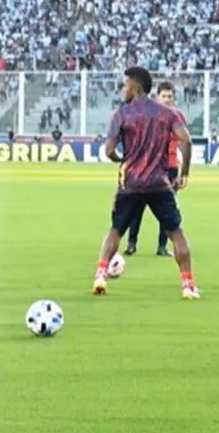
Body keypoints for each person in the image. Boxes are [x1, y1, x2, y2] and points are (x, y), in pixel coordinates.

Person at [92, 67, 198, 299]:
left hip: (131, 183)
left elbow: (109, 151)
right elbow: (186, 141)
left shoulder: (122, 114)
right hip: (159, 182)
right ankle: (188, 285)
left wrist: (123, 159)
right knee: (175, 231)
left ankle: (101, 275)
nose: (123, 89)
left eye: (125, 85)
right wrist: (185, 173)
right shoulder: (167, 113)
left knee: (116, 230)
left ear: (136, 87)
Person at [124, 81, 183, 257]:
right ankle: (132, 243)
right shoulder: (148, 116)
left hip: (170, 167)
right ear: (157, 97)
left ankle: (162, 246)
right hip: (147, 166)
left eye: (170, 97)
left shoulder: (178, 117)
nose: (166, 99)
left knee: (167, 210)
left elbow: (185, 141)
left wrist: (183, 172)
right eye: (163, 96)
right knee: (137, 207)